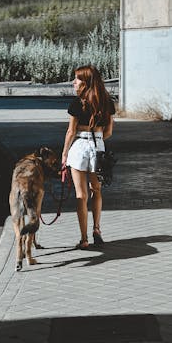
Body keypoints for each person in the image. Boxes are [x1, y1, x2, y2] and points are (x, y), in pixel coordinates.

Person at [62, 65, 115, 249]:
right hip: (98, 146)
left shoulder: (77, 103)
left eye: (77, 79)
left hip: (79, 147)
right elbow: (109, 131)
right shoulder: (107, 102)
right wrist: (97, 139)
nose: (74, 82)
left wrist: (64, 154)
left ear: (86, 82)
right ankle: (97, 230)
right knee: (97, 189)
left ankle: (84, 239)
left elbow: (70, 132)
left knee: (81, 195)